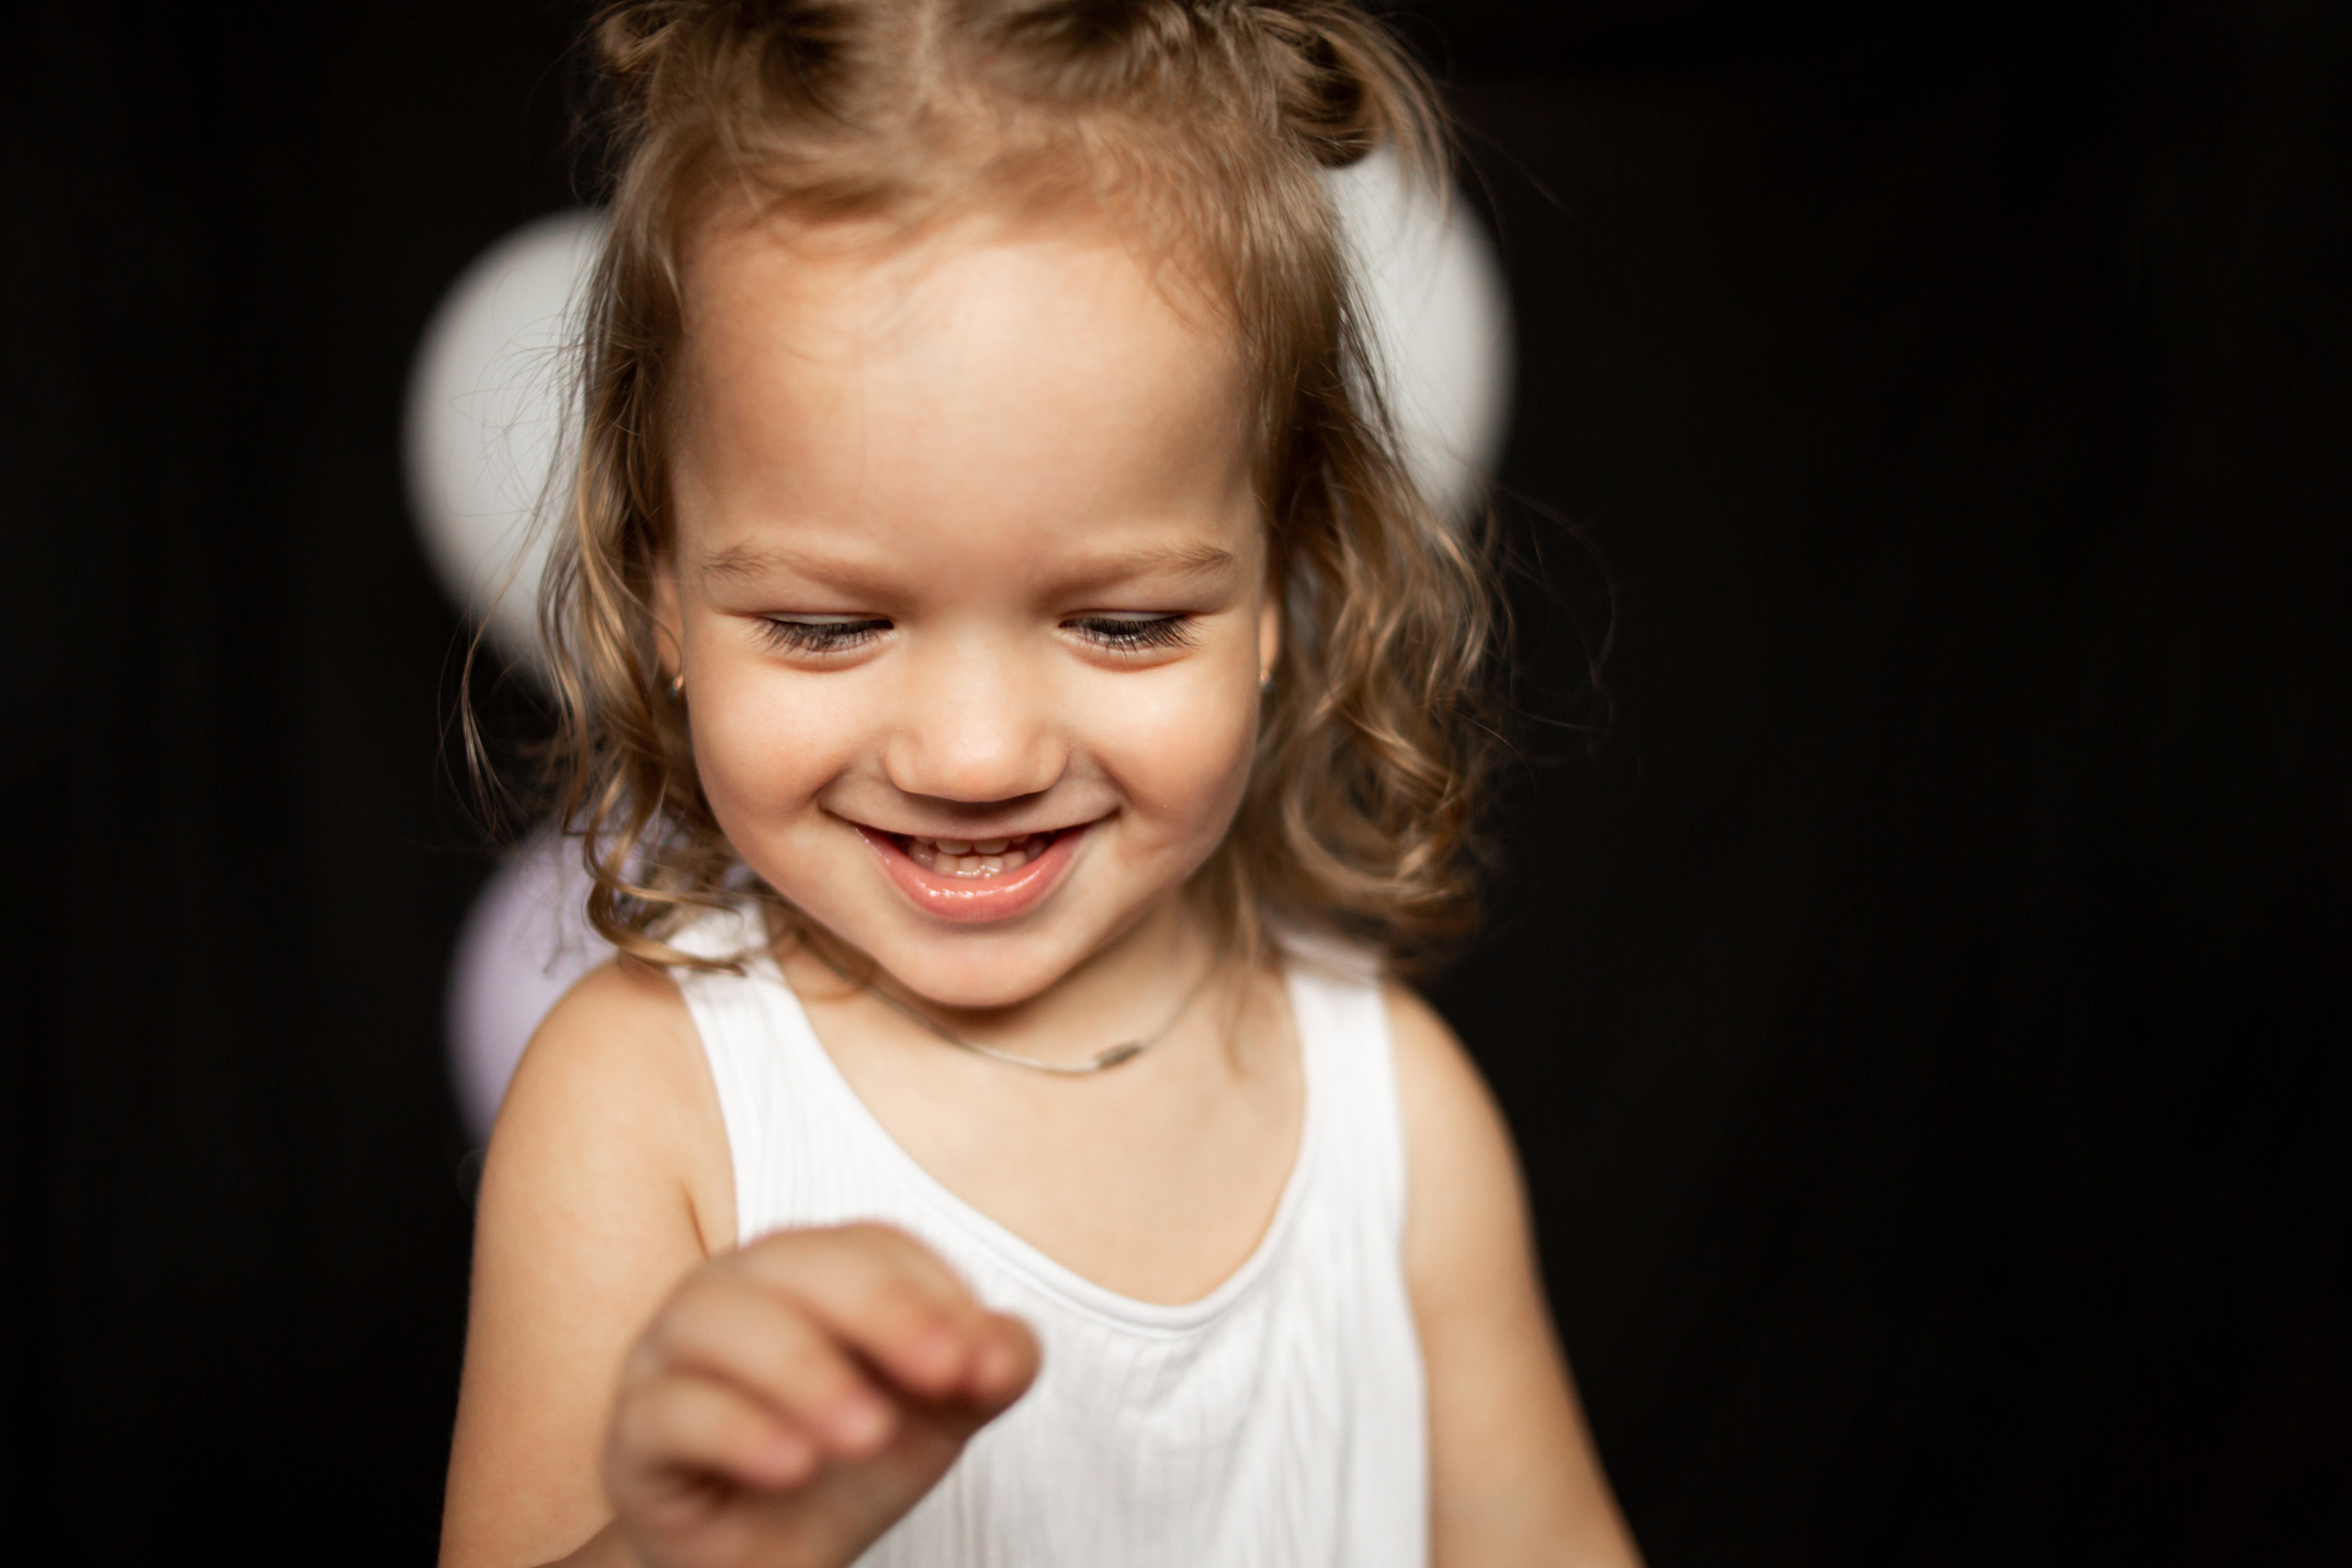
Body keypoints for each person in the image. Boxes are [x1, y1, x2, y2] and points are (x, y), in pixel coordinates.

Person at [439, 3, 1642, 1564]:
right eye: (826, 624)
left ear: (1285, 585)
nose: (977, 758)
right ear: (658, 592)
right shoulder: (638, 1110)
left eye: (1125, 623)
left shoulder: (1397, 1118)